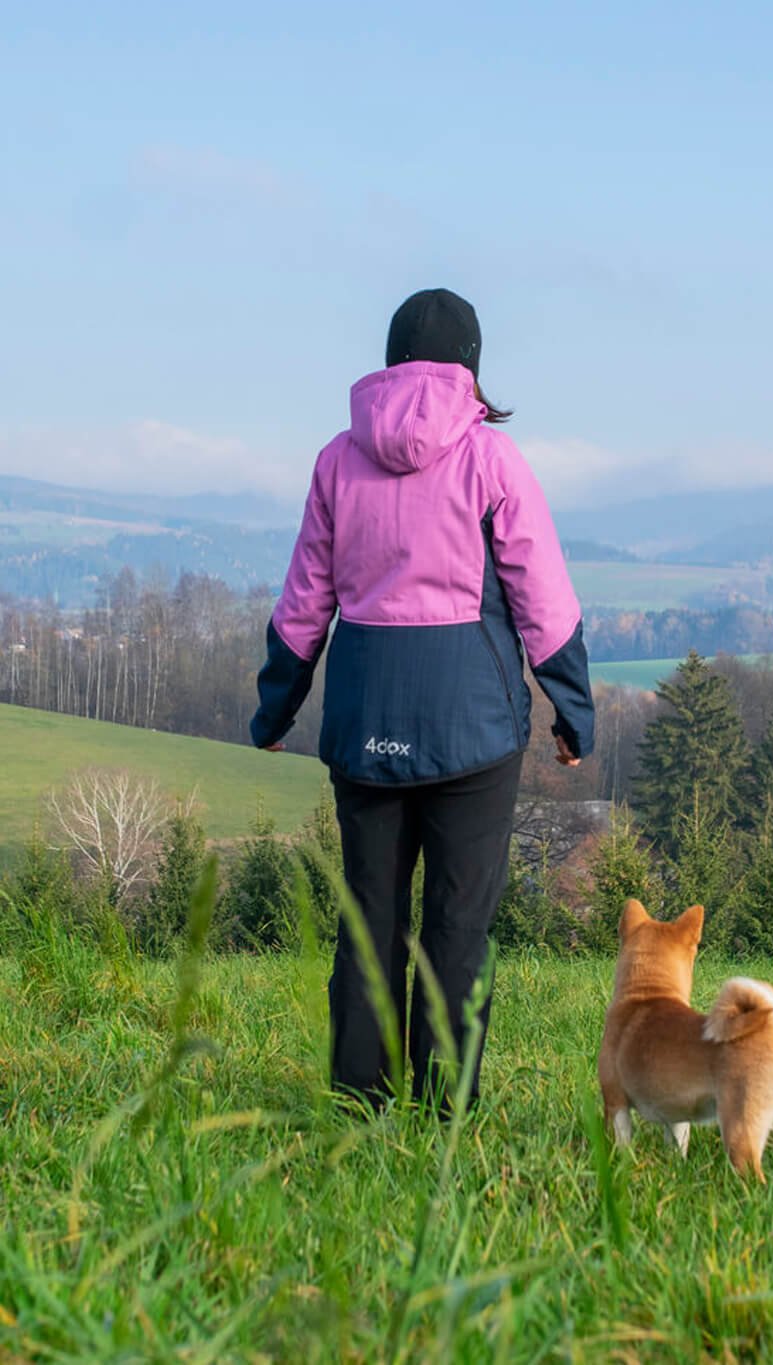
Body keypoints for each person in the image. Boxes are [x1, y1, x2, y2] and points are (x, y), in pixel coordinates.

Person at [250, 287, 594, 1109]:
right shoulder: (493, 460)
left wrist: (276, 706)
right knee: (457, 928)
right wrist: (572, 711)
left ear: (390, 358)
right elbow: (543, 597)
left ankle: (359, 1107)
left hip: (366, 721)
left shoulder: (338, 459)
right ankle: (441, 1114)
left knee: (368, 922)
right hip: (473, 728)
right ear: (471, 368)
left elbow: (305, 602)